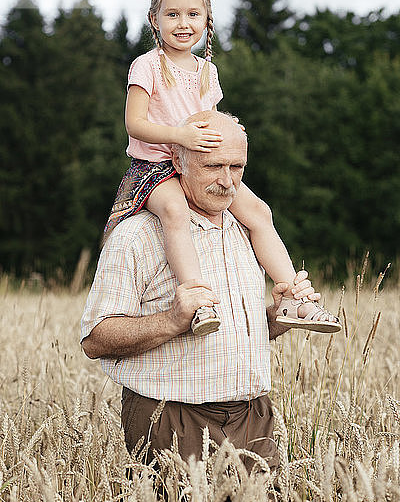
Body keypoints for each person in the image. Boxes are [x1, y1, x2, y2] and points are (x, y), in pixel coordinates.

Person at [81, 111, 338, 470]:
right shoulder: (136, 235)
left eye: (237, 167)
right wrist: (172, 320)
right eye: (213, 166)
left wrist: (276, 316)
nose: (227, 181)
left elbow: (243, 329)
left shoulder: (246, 228)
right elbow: (95, 340)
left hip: (253, 415)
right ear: (178, 161)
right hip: (172, 416)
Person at [103, 0, 341, 337]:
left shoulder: (207, 71)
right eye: (173, 15)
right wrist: (179, 135)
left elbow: (212, 120)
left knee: (260, 212)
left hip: (200, 165)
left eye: (193, 15)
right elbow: (134, 124)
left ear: (206, 20)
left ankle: (293, 295)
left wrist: (232, 130)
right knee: (175, 211)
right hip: (156, 166)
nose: (183, 24)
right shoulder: (147, 65)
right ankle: (197, 300)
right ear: (155, 19)